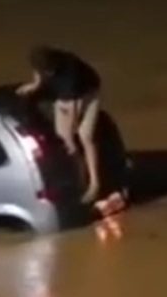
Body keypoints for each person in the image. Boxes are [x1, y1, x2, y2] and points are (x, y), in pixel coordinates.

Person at [16, 45, 103, 204]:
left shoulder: (70, 72)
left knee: (85, 136)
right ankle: (79, 179)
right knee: (64, 139)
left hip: (87, 92)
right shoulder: (39, 61)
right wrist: (35, 85)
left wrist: (71, 133)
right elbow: (38, 73)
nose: (47, 74)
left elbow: (74, 106)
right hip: (65, 97)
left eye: (49, 71)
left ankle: (94, 184)